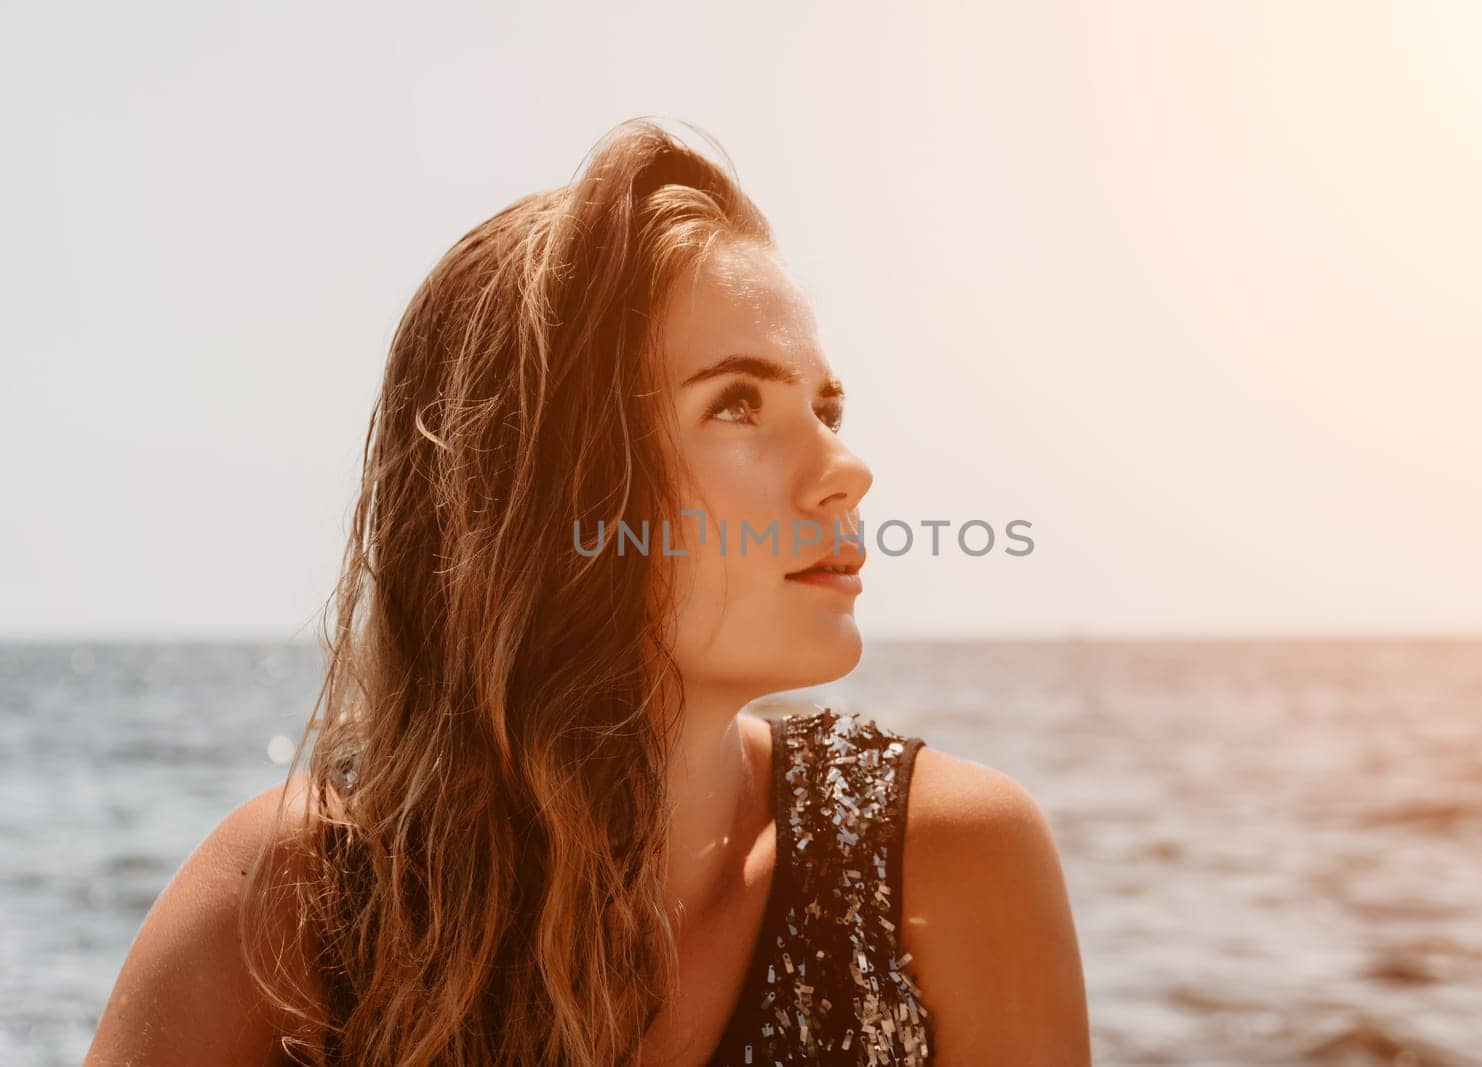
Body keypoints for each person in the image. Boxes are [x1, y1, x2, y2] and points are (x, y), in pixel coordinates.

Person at [84, 117, 1091, 1066]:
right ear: (547, 483)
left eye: (825, 405)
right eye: (738, 403)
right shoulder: (302, 895)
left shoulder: (945, 862)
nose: (846, 467)